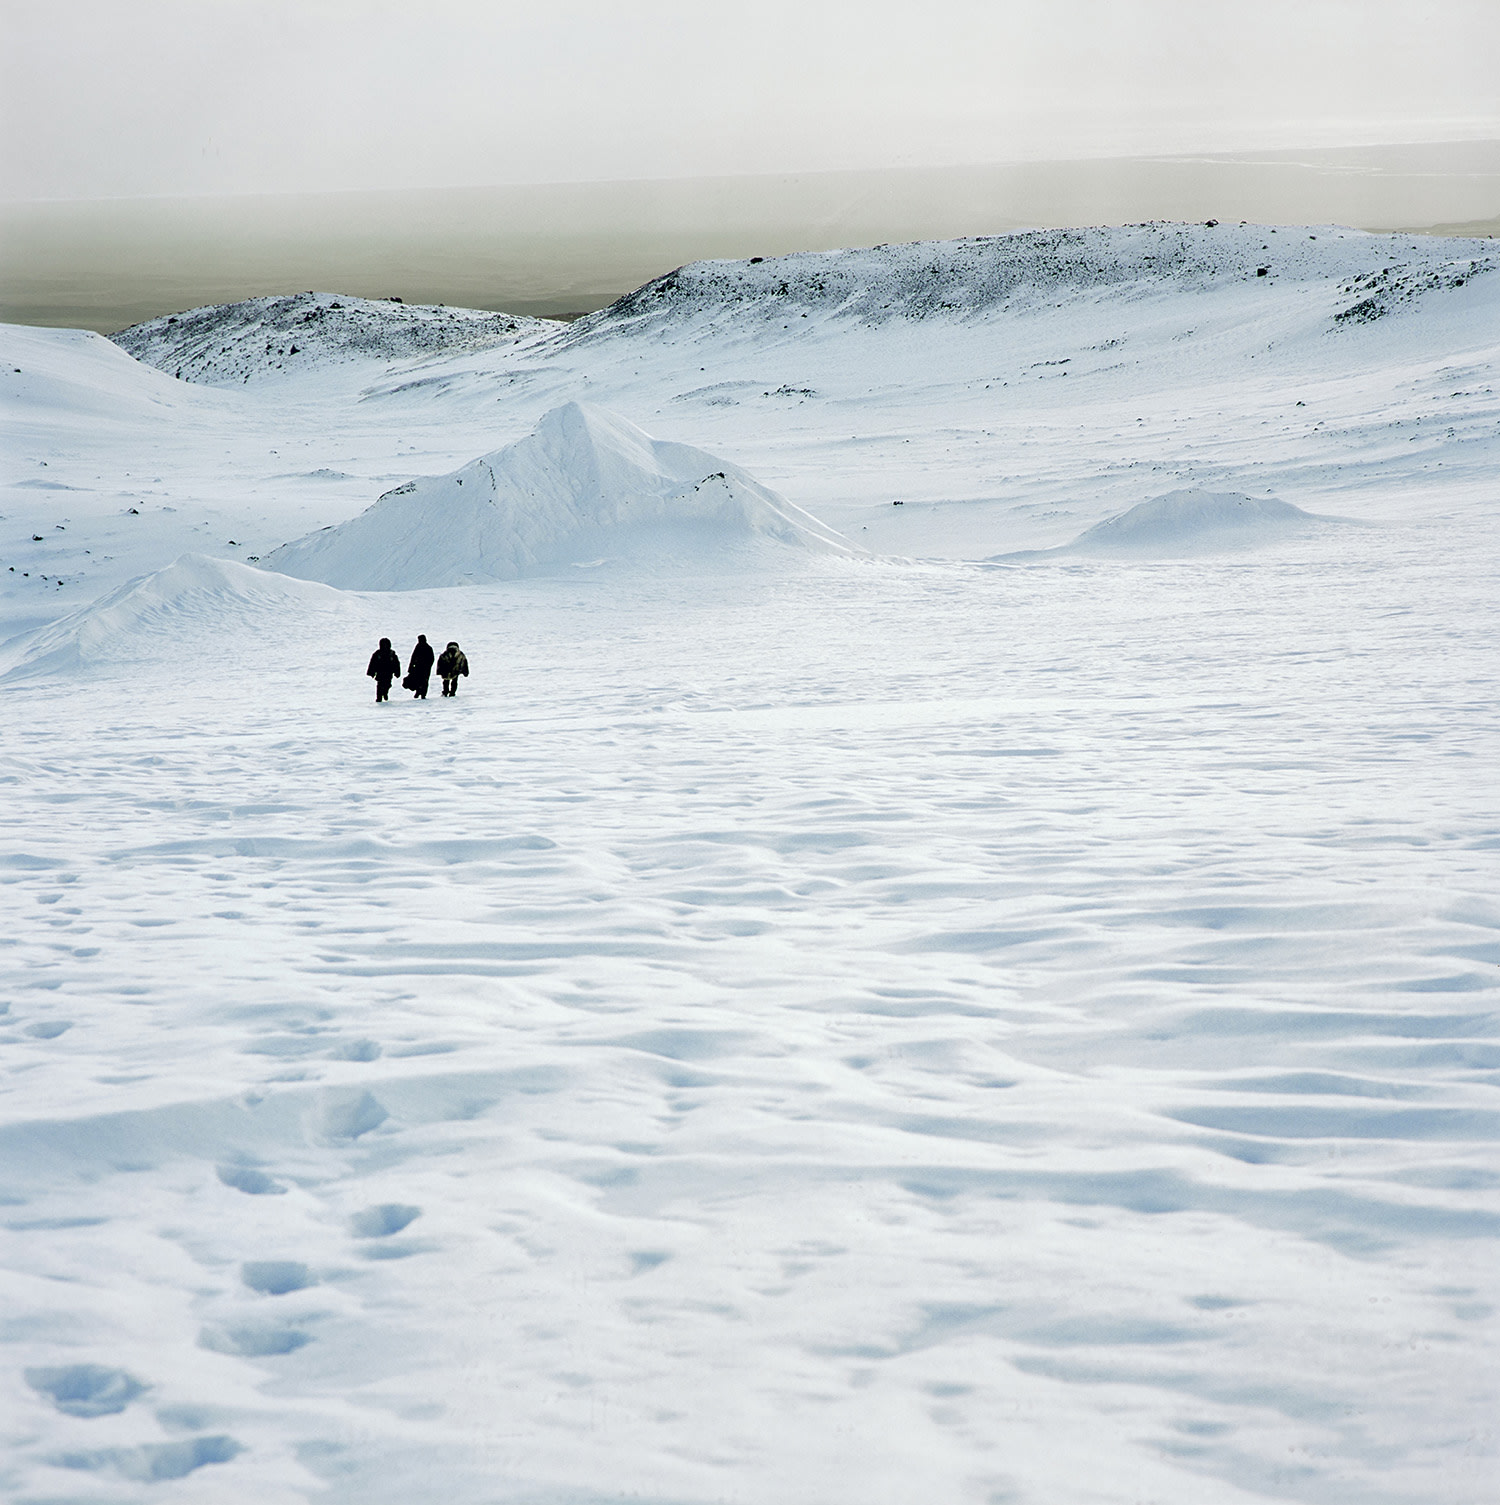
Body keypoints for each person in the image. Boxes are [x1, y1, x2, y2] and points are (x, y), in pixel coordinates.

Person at [367, 637, 401, 702]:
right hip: (380, 672)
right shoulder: (377, 653)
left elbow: (396, 663)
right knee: (379, 685)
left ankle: (385, 693)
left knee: (388, 684)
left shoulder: (391, 653)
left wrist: (397, 672)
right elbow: (373, 663)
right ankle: (379, 697)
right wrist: (371, 672)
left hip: (389, 672)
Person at [405, 633, 435, 699]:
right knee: (420, 681)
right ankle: (419, 692)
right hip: (419, 667)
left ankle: (422, 694)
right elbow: (413, 657)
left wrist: (428, 666)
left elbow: (431, 659)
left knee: (424, 681)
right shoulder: (418, 647)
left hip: (424, 668)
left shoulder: (427, 648)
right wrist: (411, 667)